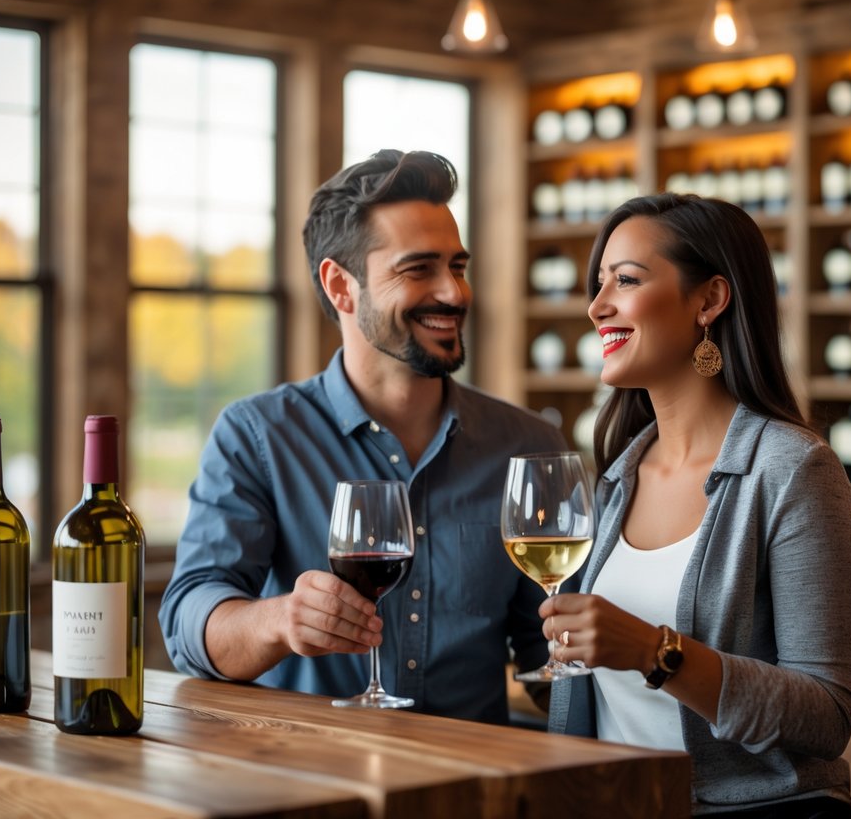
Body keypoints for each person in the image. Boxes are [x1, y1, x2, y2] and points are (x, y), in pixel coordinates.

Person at [159, 149, 567, 724]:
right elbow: (190, 623)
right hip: (310, 785)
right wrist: (280, 620)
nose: (453, 293)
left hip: (475, 789)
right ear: (341, 287)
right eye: (418, 268)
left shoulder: (524, 446)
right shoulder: (257, 437)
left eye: (457, 266)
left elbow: (553, 659)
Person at [543, 192, 851, 818]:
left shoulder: (794, 470)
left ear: (710, 300)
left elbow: (826, 717)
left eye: (627, 280)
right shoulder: (620, 471)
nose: (597, 305)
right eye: (598, 283)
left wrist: (654, 652)